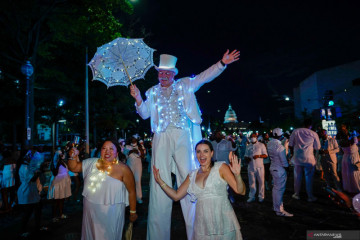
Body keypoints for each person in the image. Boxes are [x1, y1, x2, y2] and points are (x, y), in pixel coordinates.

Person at [130, 50, 240, 239]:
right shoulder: (152, 92)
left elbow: (205, 77)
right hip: (161, 136)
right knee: (159, 182)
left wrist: (222, 63)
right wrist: (138, 98)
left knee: (188, 178)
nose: (163, 76)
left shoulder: (185, 84)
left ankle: (196, 233)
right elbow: (145, 114)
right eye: (160, 73)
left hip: (183, 135)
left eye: (167, 73)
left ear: (173, 74)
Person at [153, 140, 245, 239]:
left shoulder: (221, 167)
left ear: (212, 153)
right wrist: (160, 181)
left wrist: (237, 175)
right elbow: (176, 196)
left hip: (223, 221)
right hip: (202, 225)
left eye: (205, 151)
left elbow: (241, 191)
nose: (202, 155)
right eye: (198, 151)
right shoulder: (192, 175)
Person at [68, 139, 137, 240]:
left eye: (111, 149)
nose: (107, 151)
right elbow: (73, 167)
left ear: (117, 152)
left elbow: (132, 191)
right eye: (104, 148)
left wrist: (133, 212)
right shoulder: (91, 163)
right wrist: (72, 156)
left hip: (112, 213)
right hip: (91, 211)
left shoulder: (123, 169)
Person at [289, 119, 321, 202]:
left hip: (297, 158)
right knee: (309, 178)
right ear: (310, 125)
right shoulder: (313, 133)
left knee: (297, 177)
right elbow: (318, 147)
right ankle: (310, 196)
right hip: (309, 159)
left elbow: (290, 145)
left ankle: (296, 194)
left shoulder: (295, 131)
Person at [17, 150, 45, 238]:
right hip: (26, 192)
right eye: (29, 155)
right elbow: (32, 179)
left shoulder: (28, 166)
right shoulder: (24, 167)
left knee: (38, 209)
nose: (31, 157)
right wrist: (38, 171)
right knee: (27, 213)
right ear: (25, 157)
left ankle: (37, 227)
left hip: (32, 191)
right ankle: (22, 230)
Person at [267, 128, 293, 217]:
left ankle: (276, 207)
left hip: (273, 168)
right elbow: (284, 162)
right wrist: (288, 169)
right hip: (279, 170)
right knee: (280, 191)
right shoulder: (279, 147)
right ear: (280, 136)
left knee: (275, 190)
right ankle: (279, 210)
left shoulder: (269, 144)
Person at [47, 149, 72, 221]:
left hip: (63, 183)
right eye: (60, 155)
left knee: (62, 199)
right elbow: (55, 173)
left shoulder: (63, 162)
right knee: (56, 200)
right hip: (57, 184)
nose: (62, 156)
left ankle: (61, 214)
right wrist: (58, 163)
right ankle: (54, 216)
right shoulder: (54, 163)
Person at [244, 133, 268, 203]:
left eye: (254, 136)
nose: (252, 138)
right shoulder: (248, 146)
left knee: (261, 182)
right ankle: (252, 196)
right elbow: (245, 155)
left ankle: (261, 196)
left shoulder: (261, 145)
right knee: (252, 182)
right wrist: (247, 158)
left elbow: (266, 155)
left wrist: (258, 156)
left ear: (256, 137)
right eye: (251, 137)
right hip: (251, 166)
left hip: (259, 167)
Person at [337, 125, 360, 193]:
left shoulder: (341, 141)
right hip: (352, 158)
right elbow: (356, 139)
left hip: (345, 158)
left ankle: (350, 189)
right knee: (354, 173)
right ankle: (357, 188)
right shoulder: (352, 140)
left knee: (348, 174)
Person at [125, 136, 144, 204]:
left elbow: (143, 154)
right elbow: (125, 155)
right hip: (130, 163)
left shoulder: (139, 146)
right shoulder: (127, 146)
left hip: (138, 164)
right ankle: (129, 197)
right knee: (130, 181)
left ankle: (139, 197)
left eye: (134, 139)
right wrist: (131, 151)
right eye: (132, 139)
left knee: (138, 180)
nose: (133, 140)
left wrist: (139, 151)